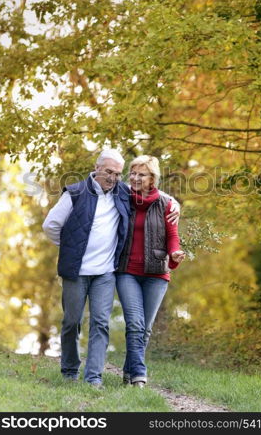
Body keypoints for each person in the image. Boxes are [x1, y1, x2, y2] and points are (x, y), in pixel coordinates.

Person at [42, 149, 179, 387]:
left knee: (101, 323)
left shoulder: (121, 191)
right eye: (108, 171)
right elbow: (51, 225)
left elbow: (152, 190)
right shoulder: (75, 192)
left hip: (105, 272)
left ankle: (93, 377)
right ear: (96, 168)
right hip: (76, 271)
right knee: (72, 322)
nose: (112, 177)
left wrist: (174, 203)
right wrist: (69, 247)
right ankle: (70, 370)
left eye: (117, 173)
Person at [116, 155, 185, 388]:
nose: (135, 178)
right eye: (133, 173)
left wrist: (175, 252)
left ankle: (128, 372)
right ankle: (139, 376)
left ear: (152, 178)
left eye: (141, 174)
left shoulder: (166, 203)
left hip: (156, 272)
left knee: (144, 328)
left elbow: (173, 235)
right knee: (135, 323)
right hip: (127, 270)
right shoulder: (122, 196)